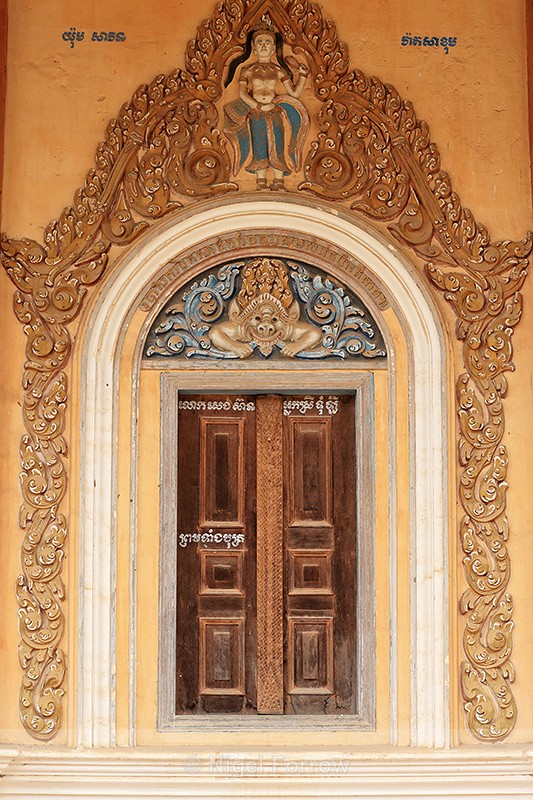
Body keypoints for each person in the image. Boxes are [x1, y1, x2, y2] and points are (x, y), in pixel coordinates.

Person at [223, 24, 310, 190]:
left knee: (277, 142)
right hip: (256, 112)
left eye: (268, 42)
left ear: (272, 50)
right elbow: (242, 94)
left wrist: (303, 76)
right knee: (259, 143)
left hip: (274, 111)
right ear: (254, 49)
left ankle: (279, 182)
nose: (264, 45)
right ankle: (260, 181)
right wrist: (257, 105)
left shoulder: (278, 70)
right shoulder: (248, 70)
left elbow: (294, 93)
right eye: (260, 42)